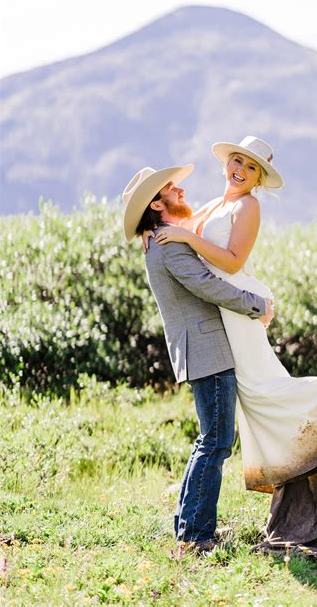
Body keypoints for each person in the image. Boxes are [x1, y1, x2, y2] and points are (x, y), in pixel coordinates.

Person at [144, 136, 317, 558]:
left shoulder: (248, 206)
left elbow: (228, 261)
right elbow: (183, 255)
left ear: (258, 178)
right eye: (235, 161)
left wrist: (186, 241)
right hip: (223, 317)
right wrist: (162, 232)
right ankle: (199, 527)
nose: (238, 170)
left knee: (262, 395)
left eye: (249, 168)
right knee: (236, 420)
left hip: (236, 310)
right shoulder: (209, 207)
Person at [121, 164, 274, 554]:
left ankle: (189, 527)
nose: (181, 191)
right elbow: (207, 286)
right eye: (172, 189)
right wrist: (257, 305)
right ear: (157, 203)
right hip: (207, 350)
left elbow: (201, 222)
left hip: (201, 349)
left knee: (211, 439)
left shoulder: (160, 240)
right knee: (217, 441)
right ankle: (196, 536)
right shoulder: (167, 245)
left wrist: (151, 228)